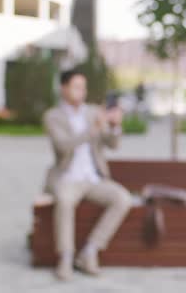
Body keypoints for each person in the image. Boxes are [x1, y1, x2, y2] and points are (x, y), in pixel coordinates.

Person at [43, 68, 131, 280]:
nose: (81, 91)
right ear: (64, 88)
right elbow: (63, 146)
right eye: (76, 87)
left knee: (123, 199)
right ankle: (65, 257)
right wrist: (92, 130)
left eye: (83, 87)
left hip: (94, 179)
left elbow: (113, 144)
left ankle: (90, 251)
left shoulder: (93, 112)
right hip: (67, 178)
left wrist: (115, 125)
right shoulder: (53, 116)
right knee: (64, 201)